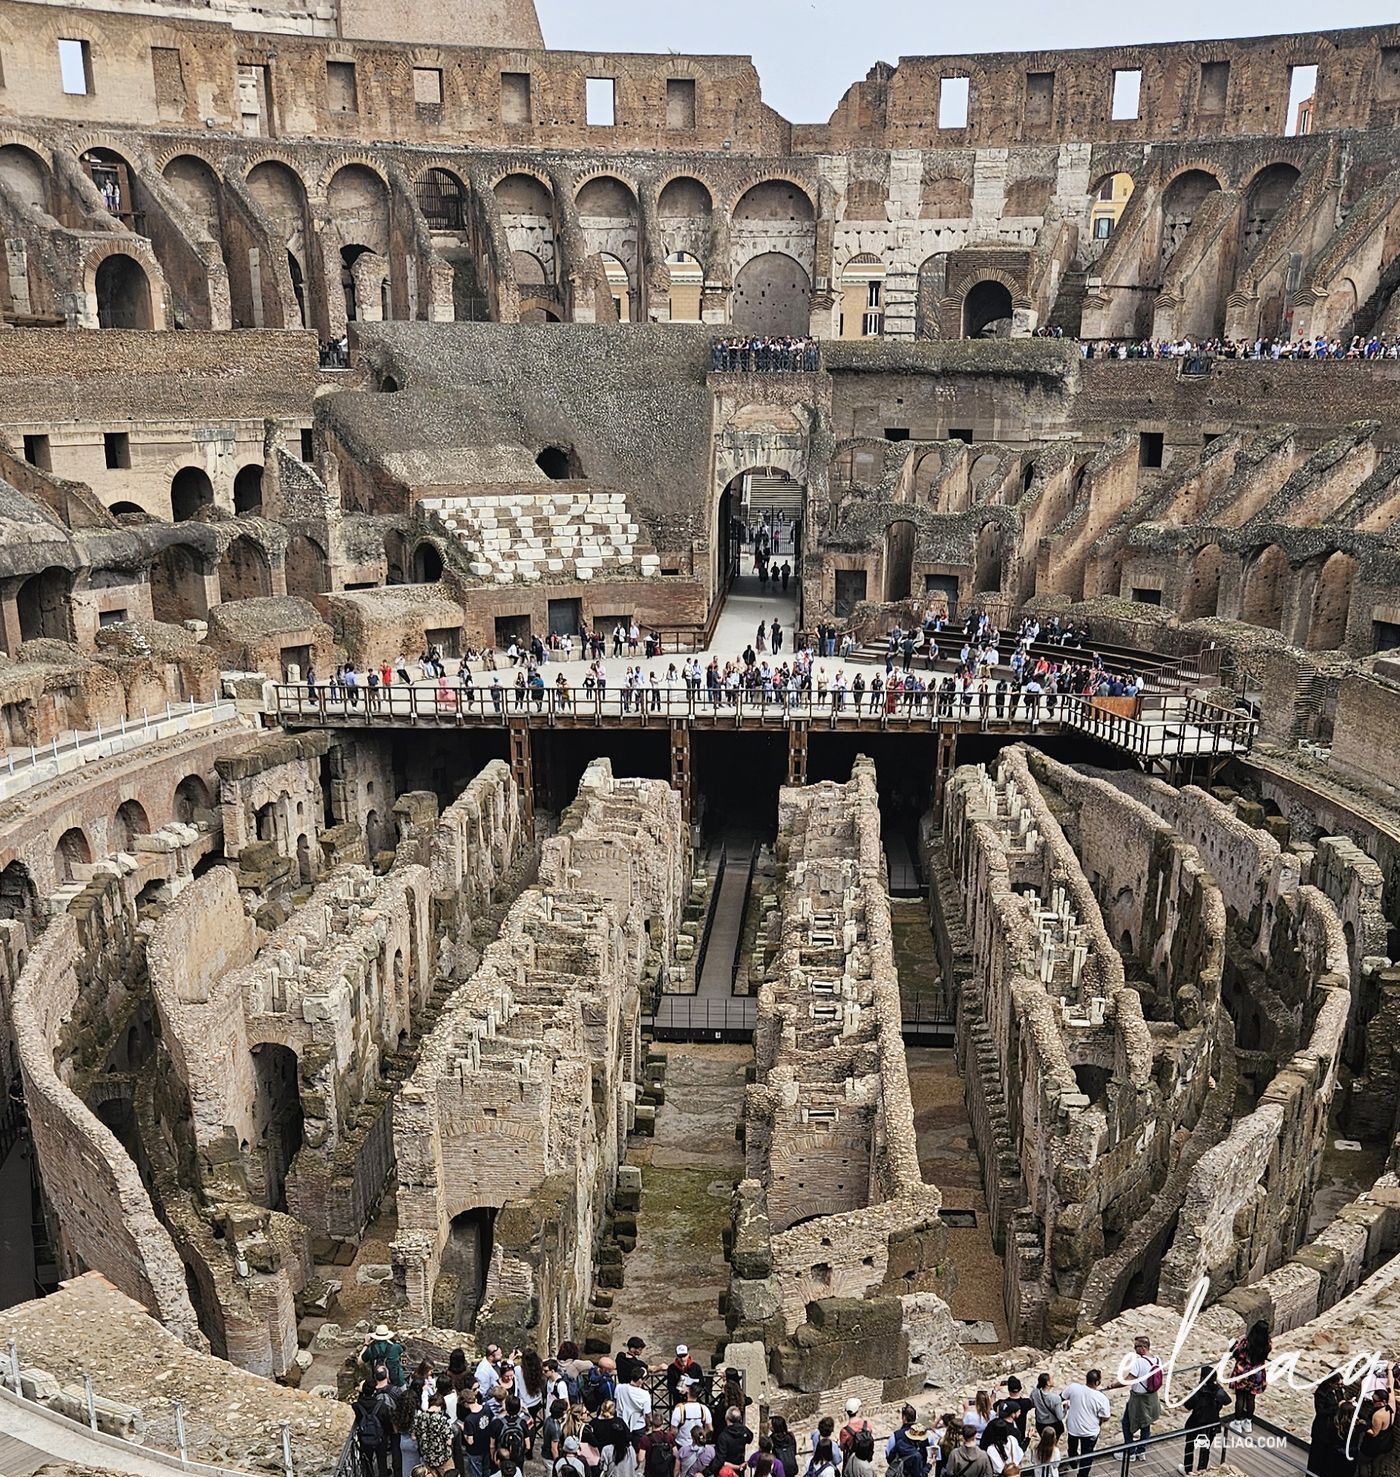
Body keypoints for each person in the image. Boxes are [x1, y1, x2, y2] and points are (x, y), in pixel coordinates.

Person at [1117, 1336, 1163, 1458]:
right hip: (1151, 1397)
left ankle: (1130, 1452)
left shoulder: (1139, 1362)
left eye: (1136, 1347)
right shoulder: (1157, 1360)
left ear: (1143, 1347)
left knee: (1126, 1423)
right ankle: (1141, 1451)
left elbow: (1128, 1380)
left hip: (1138, 1398)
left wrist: (1113, 1385)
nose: (1135, 1349)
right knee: (1145, 1424)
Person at [1181, 1366, 1230, 1473]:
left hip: (1195, 1423)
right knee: (1205, 1450)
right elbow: (1227, 1401)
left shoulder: (1199, 1391)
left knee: (1189, 1447)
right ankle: (1201, 1472)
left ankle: (1188, 1471)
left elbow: (1186, 1407)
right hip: (1211, 1424)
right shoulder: (1218, 1391)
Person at [1061, 1371, 1110, 1477]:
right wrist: (1100, 1421)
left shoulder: (1073, 1387)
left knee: (1072, 1448)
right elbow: (1106, 1416)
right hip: (1090, 1431)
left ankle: (1073, 1462)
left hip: (1073, 1427)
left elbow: (1063, 1396)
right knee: (1087, 1455)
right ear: (1097, 1382)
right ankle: (1082, 1474)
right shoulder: (1101, 1398)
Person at [1226, 1321, 1270, 1433]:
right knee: (1251, 1398)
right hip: (1257, 1373)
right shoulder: (1267, 1345)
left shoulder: (1246, 1342)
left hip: (1243, 1372)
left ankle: (1237, 1422)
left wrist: (1234, 1344)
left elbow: (1237, 1353)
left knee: (1240, 1397)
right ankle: (1248, 1422)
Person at [354, 1371, 400, 1477]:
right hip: (380, 1438)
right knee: (382, 1461)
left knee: (367, 1461)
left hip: (364, 1437)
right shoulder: (382, 1406)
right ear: (374, 1391)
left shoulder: (356, 1406)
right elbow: (387, 1423)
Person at [415, 1393, 457, 1477]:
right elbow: (449, 1441)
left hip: (427, 1457)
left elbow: (414, 1436)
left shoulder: (419, 1417)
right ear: (441, 1406)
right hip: (443, 1457)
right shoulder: (442, 1419)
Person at [1031, 1375, 1065, 1439]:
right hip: (1053, 1425)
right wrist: (1065, 1409)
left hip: (1040, 1424)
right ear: (1048, 1383)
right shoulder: (1055, 1398)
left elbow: (1032, 1404)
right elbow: (1060, 1417)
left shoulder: (1034, 1393)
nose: (1053, 1380)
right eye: (1051, 1379)